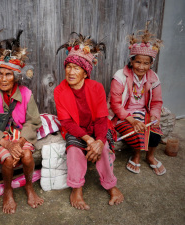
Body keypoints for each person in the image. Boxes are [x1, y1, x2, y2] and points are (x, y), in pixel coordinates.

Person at [0, 29, 44, 214]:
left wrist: (20, 142)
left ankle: (29, 187)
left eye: (8, 74)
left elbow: (33, 121)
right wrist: (7, 144)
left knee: (27, 156)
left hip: (18, 134)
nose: (4, 79)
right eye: (0, 74)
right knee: (7, 159)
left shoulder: (26, 94)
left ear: (16, 76)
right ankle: (8, 191)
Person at [54, 33, 124, 210]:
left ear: (85, 72)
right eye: (68, 67)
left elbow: (102, 118)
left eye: (76, 68)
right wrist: (89, 140)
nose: (71, 72)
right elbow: (67, 123)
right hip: (76, 129)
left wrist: (99, 141)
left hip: (97, 128)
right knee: (74, 151)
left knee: (105, 148)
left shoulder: (97, 88)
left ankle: (110, 184)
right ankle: (76, 188)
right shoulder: (59, 91)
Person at [108, 26, 166, 175]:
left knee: (156, 133)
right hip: (123, 116)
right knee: (137, 134)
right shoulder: (120, 76)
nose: (141, 67)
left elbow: (156, 102)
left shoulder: (153, 78)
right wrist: (133, 120)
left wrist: (154, 116)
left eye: (146, 63)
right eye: (138, 62)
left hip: (144, 113)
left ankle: (150, 156)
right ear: (131, 61)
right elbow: (115, 104)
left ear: (151, 64)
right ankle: (136, 155)